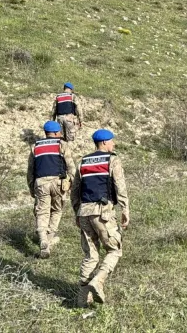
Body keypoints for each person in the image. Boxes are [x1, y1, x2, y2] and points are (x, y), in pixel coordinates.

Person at [70, 129, 130, 307]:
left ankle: (82, 299)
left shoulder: (83, 161)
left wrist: (77, 213)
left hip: (84, 213)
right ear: (104, 143)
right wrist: (125, 209)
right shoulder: (112, 159)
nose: (114, 144)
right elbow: (120, 185)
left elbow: (75, 191)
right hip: (103, 212)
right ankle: (99, 281)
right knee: (114, 250)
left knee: (91, 256)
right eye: (112, 141)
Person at [26, 121, 76, 259]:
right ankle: (50, 237)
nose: (60, 134)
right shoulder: (62, 144)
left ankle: (43, 239)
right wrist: (71, 180)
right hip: (58, 182)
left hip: (41, 182)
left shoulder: (35, 146)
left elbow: (30, 171)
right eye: (59, 132)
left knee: (42, 211)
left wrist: (31, 187)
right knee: (57, 210)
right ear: (54, 133)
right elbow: (71, 166)